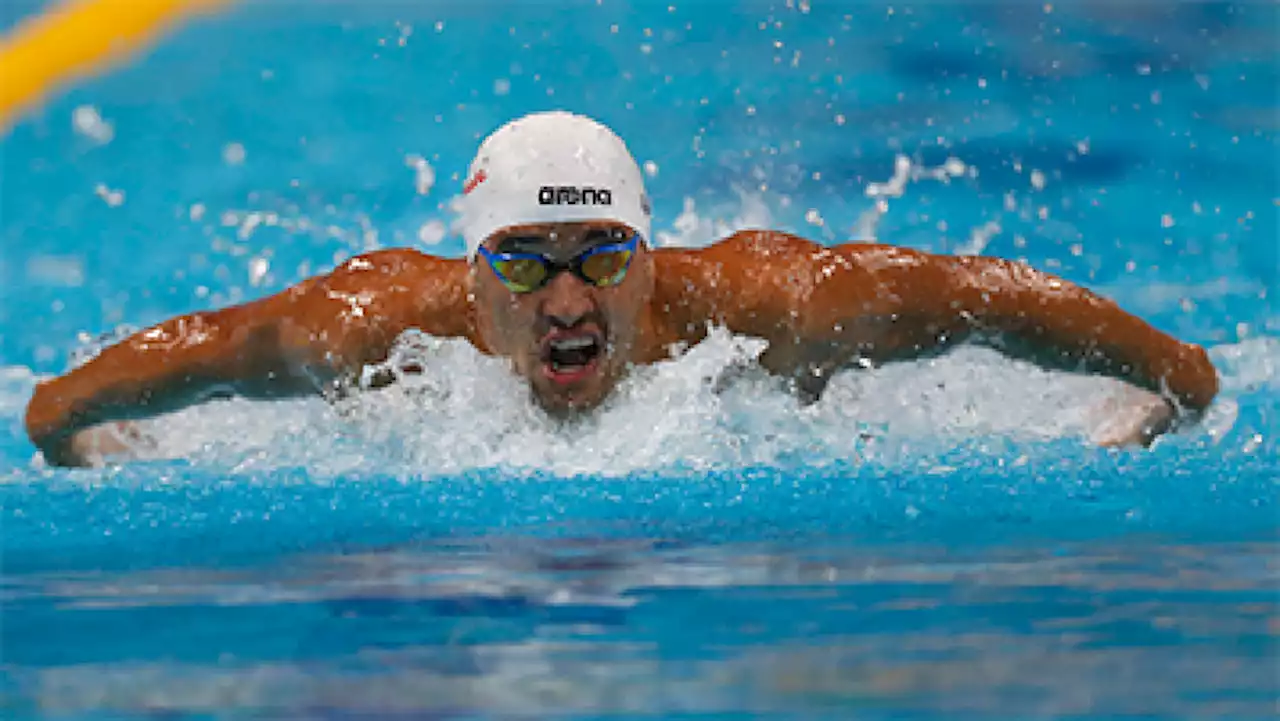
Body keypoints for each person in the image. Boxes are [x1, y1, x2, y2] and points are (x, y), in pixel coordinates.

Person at [25, 111, 1218, 467]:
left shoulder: (775, 308)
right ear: (471, 276)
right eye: (523, 264)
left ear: (648, 258)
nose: (566, 299)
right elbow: (109, 383)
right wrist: (82, 440)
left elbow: (989, 297)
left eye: (601, 256)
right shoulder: (370, 327)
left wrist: (1170, 387)